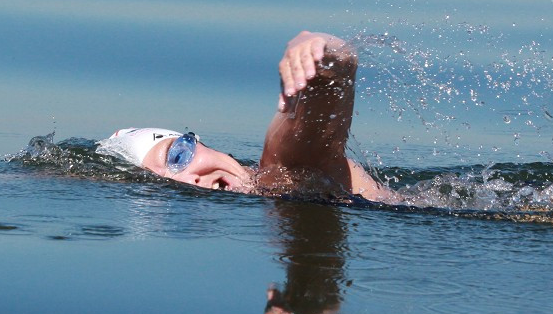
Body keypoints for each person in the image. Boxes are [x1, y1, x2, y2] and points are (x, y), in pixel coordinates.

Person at [97, 30, 389, 202]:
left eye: (177, 158)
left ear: (198, 143)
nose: (188, 181)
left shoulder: (282, 171)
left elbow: (337, 72)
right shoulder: (272, 197)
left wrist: (318, 50)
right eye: (167, 188)